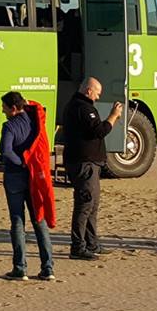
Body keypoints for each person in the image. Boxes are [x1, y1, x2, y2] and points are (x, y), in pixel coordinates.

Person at [0, 91, 57, 280]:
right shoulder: (35, 121)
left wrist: (21, 161)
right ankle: (48, 268)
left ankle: (20, 267)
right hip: (35, 178)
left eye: (4, 107)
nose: (2, 110)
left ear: (13, 109)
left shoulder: (10, 126)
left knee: (17, 221)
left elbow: (5, 151)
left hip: (15, 176)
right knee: (39, 220)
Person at [59, 78, 119, 260]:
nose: (99, 96)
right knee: (84, 205)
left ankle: (91, 243)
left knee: (92, 205)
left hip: (88, 163)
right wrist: (114, 115)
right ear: (88, 90)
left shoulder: (79, 105)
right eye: (97, 92)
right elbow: (99, 130)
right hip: (84, 164)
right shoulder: (82, 107)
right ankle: (78, 247)